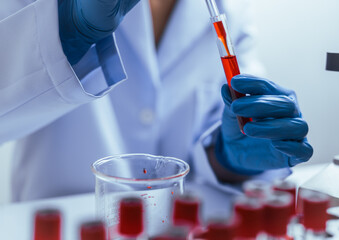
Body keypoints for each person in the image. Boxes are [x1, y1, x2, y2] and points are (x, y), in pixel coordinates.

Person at [0, 0, 313, 201]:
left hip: (178, 225)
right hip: (58, 222)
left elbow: (229, 117)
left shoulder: (230, 10)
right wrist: (65, 32)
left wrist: (227, 157)